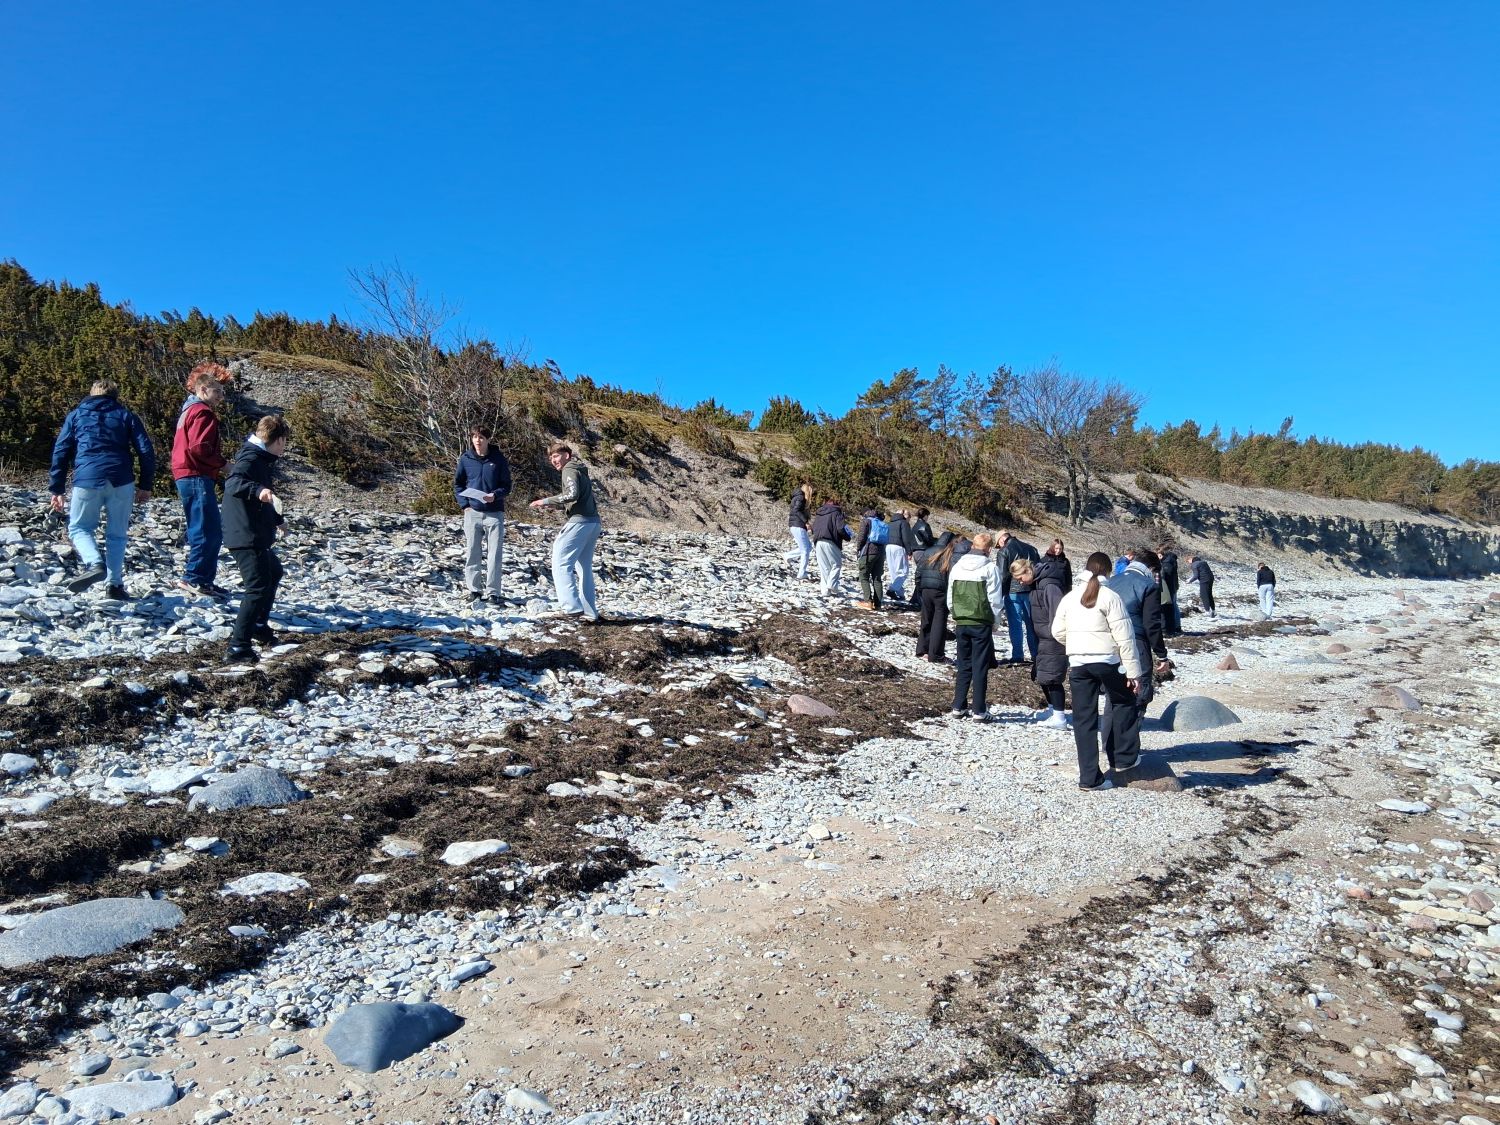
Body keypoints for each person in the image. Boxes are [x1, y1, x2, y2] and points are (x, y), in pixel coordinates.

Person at [48, 378, 156, 600]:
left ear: (91, 393)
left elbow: (61, 451)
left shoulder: (76, 415)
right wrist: (145, 485)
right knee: (117, 534)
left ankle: (94, 562)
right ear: (115, 395)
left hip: (87, 478)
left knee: (79, 528)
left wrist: (57, 489)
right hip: (121, 479)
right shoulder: (127, 416)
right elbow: (145, 450)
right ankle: (114, 586)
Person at [1052, 551, 1145, 791]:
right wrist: (1134, 673)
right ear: (1109, 571)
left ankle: (1089, 778)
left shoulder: (1070, 597)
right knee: (1124, 701)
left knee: (1084, 720)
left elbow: (1057, 631)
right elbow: (1125, 637)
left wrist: (1076, 645)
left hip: (1079, 663)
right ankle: (1124, 759)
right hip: (1107, 660)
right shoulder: (1111, 596)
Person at [221, 414, 289, 663]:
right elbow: (234, 483)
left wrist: (278, 520)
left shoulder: (258, 456)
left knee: (274, 572)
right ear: (278, 439)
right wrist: (258, 490)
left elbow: (263, 497)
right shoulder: (250, 457)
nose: (284, 448)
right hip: (245, 534)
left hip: (252, 532)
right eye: (284, 442)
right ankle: (238, 646)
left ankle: (259, 625)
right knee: (257, 587)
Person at [1101, 549, 1169, 768]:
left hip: (1110, 644)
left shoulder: (1112, 581)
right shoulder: (1148, 586)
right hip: (1136, 643)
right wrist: (1162, 654)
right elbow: (1152, 625)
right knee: (1138, 695)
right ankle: (1128, 751)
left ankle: (1108, 745)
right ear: (1150, 569)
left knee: (1114, 696)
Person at [171, 362, 230, 598]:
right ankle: (195, 578)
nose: (221, 398)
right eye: (218, 391)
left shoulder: (188, 411)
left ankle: (202, 579)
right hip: (196, 475)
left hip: (187, 474)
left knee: (204, 527)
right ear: (203, 390)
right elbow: (200, 448)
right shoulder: (202, 413)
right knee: (207, 529)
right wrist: (224, 464)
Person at [529, 442, 601, 621]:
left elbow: (572, 494)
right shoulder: (580, 470)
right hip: (593, 521)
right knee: (583, 566)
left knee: (560, 561)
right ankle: (589, 612)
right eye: (551, 457)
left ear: (567, 455)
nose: (553, 460)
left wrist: (544, 501)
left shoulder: (569, 469)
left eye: (556, 456)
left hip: (580, 522)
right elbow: (578, 498)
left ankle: (570, 608)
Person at [947, 532, 1004, 721]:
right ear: (988, 549)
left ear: (973, 546)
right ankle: (979, 710)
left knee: (964, 665)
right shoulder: (990, 568)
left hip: (961, 621)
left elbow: (951, 594)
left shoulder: (957, 566)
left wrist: (955, 612)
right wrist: (995, 622)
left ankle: (958, 706)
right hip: (981, 622)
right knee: (980, 666)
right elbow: (995, 599)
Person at [453, 426, 513, 604]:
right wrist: (465, 506)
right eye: (475, 437)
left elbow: (507, 485)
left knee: (494, 553)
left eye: (481, 437)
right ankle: (474, 590)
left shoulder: (499, 459)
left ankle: (493, 592)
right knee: (472, 551)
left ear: (488, 439)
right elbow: (458, 484)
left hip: (495, 513)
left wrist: (495, 495)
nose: (478, 441)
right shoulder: (465, 459)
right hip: (472, 512)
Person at [1022, 554, 1071, 728]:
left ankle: (1059, 718)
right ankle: (1053, 710)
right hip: (1042, 636)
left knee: (1052, 677)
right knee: (1041, 675)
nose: (1020, 582)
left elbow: (1057, 613)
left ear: (1029, 571)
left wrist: (1055, 634)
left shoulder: (1049, 586)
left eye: (1021, 578)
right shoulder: (1035, 585)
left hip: (1053, 637)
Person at [913, 532, 957, 662]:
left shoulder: (928, 551)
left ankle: (922, 649)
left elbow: (919, 571)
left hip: (926, 589)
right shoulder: (950, 554)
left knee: (926, 619)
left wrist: (919, 587)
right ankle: (935, 654)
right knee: (939, 622)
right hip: (941, 591)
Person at [996, 531, 1040, 663]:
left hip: (1012, 591)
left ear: (1001, 540)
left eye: (998, 544)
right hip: (1030, 590)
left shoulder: (1004, 551)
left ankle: (1018, 655)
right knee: (1031, 624)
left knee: (1015, 625)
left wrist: (1001, 595)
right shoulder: (1031, 549)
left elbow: (1003, 575)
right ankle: (1035, 653)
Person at [809, 497, 852, 596]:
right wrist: (848, 537)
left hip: (818, 541)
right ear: (836, 504)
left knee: (824, 567)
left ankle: (825, 591)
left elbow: (814, 527)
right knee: (836, 564)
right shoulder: (837, 513)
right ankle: (832, 584)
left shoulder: (819, 513)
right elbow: (840, 528)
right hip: (831, 540)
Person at [853, 509, 887, 611]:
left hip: (868, 551)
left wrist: (858, 549)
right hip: (881, 552)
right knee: (877, 578)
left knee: (863, 575)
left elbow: (861, 537)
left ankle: (868, 601)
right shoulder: (881, 523)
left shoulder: (866, 521)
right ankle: (878, 604)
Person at [884, 509, 917, 602]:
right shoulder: (904, 523)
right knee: (903, 572)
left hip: (888, 546)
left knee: (893, 571)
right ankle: (891, 589)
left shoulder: (890, 522)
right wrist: (909, 552)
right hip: (899, 547)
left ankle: (900, 593)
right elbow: (906, 539)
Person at [785, 483, 814, 581]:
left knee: (808, 547)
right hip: (798, 525)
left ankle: (787, 555)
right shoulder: (801, 498)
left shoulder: (796, 497)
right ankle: (801, 573)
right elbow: (797, 510)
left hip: (795, 525)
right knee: (805, 550)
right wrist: (806, 522)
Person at [1158, 544, 1182, 634]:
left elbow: (1165, 576)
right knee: (1173, 606)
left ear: (1161, 554)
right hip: (1173, 586)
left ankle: (1172, 627)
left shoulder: (1166, 563)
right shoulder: (1171, 560)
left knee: (1170, 607)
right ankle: (1175, 626)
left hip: (1168, 587)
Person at [1185, 554, 1216, 619]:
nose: (1188, 563)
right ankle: (1213, 610)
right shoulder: (1203, 562)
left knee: (1204, 595)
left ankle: (1207, 611)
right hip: (1211, 578)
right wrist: (1191, 578)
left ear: (1190, 559)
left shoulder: (1194, 564)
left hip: (1204, 580)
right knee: (1209, 594)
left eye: (1188, 561)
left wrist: (1189, 581)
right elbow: (1202, 572)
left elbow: (1196, 576)